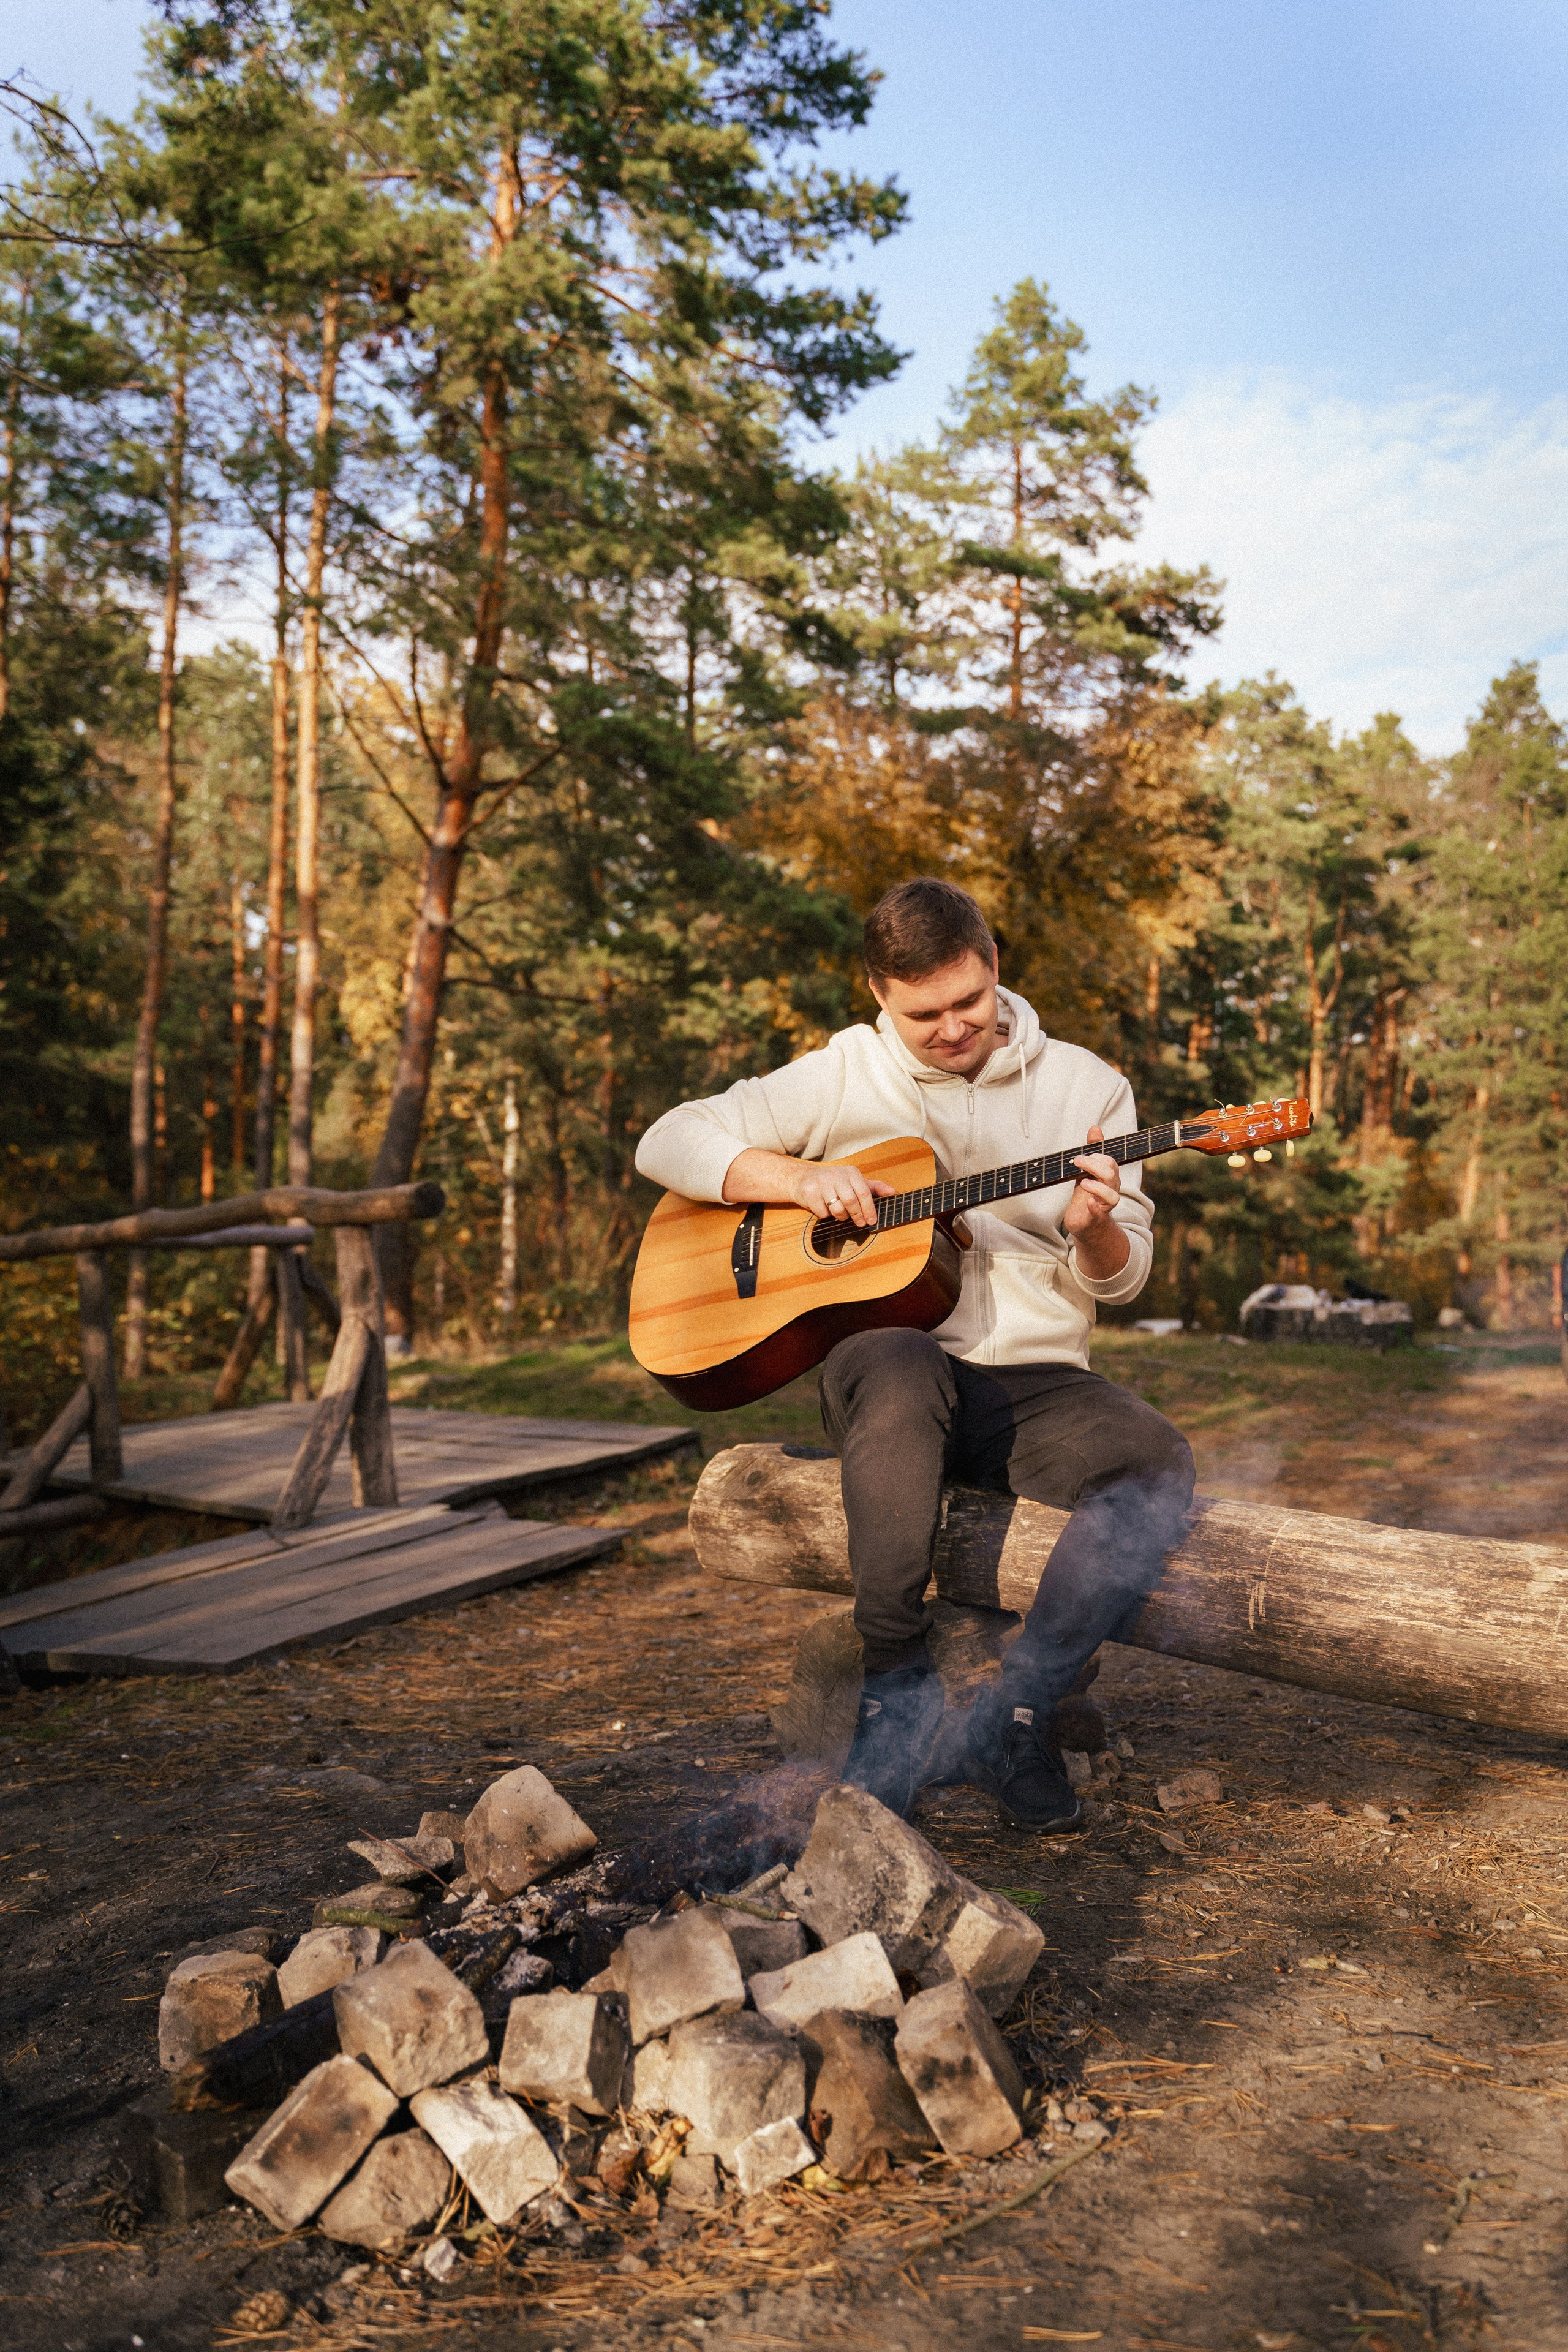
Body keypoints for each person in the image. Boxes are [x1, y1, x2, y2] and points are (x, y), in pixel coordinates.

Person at [635, 877, 1194, 1830]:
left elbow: (1123, 1277)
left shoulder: (1088, 1088)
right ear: (879, 998)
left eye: (968, 1004)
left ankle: (1018, 1713)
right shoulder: (844, 1072)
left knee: (1156, 1462)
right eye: (921, 1014)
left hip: (1031, 1384)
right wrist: (801, 1179)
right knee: (897, 1358)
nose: (948, 1029)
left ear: (995, 968)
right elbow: (669, 1139)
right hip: (888, 1374)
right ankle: (897, 1688)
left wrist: (1094, 1226)